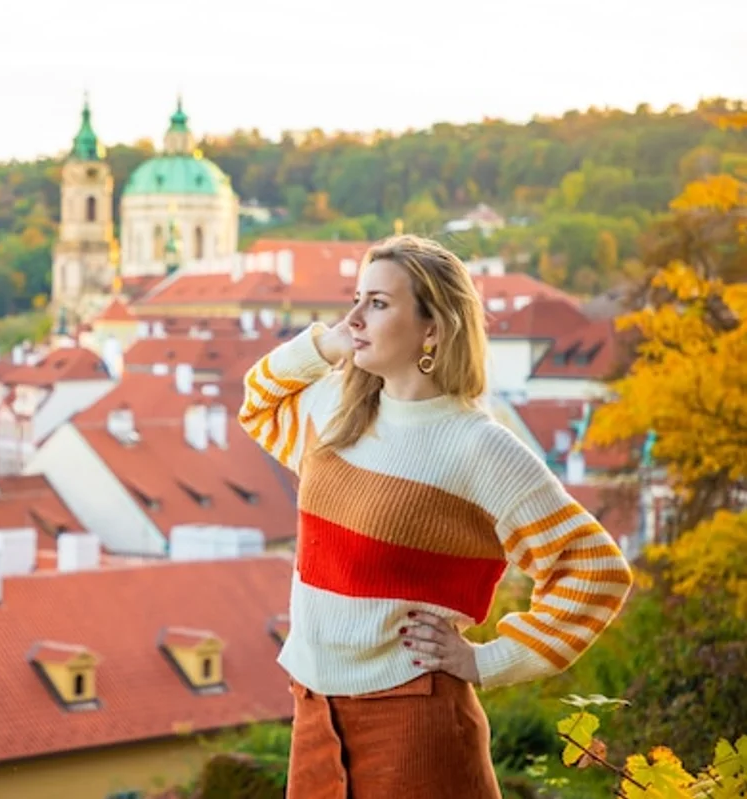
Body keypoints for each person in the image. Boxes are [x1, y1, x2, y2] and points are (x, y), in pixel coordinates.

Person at [238, 235, 634, 798]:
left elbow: (596, 571)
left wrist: (489, 661)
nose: (354, 318)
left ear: (432, 329)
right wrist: (325, 346)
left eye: (378, 303)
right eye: (356, 299)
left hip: (415, 722)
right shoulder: (333, 411)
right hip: (314, 715)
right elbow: (258, 403)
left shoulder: (477, 447)